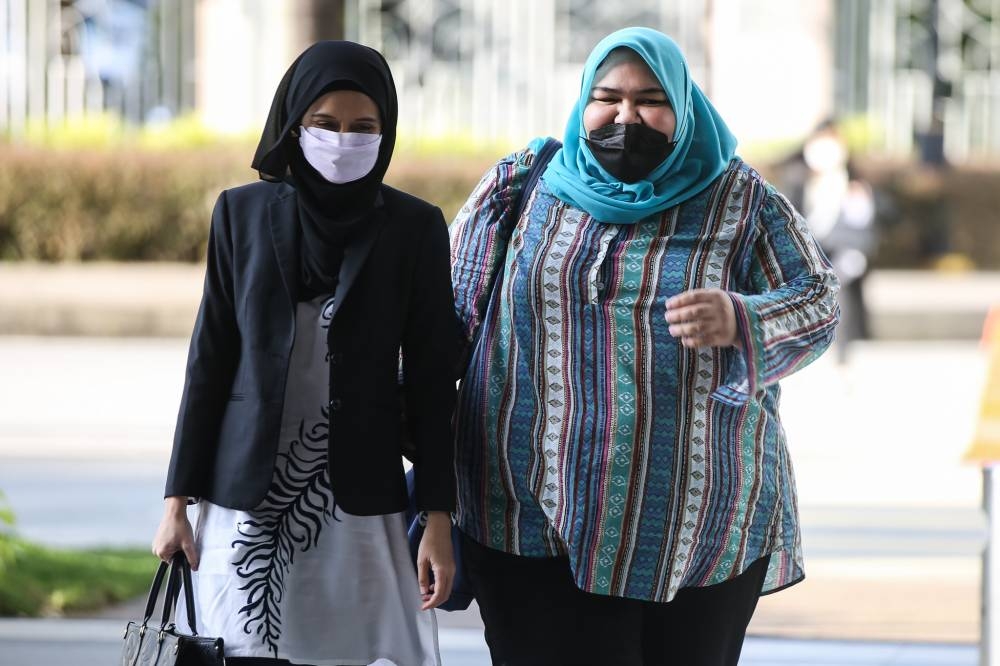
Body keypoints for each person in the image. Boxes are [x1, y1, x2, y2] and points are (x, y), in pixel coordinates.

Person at [449, 27, 840, 666]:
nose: (626, 117)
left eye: (650, 100)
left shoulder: (740, 201)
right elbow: (447, 324)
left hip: (698, 531)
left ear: (683, 108)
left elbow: (820, 302)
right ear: (582, 101)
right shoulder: (524, 186)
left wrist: (741, 318)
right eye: (608, 98)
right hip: (526, 518)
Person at [151, 41, 458, 666]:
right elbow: (209, 361)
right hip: (247, 494)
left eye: (364, 128)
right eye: (325, 124)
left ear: (387, 132)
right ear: (294, 124)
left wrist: (439, 520)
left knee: (352, 649)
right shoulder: (240, 213)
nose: (344, 140)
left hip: (359, 500)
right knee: (243, 648)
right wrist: (176, 503)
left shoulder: (414, 228)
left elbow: (432, 383)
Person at [780, 119, 877, 364]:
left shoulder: (854, 186)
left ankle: (842, 356)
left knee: (840, 298)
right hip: (805, 255)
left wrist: (855, 253)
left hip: (841, 257)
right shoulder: (797, 180)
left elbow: (860, 227)